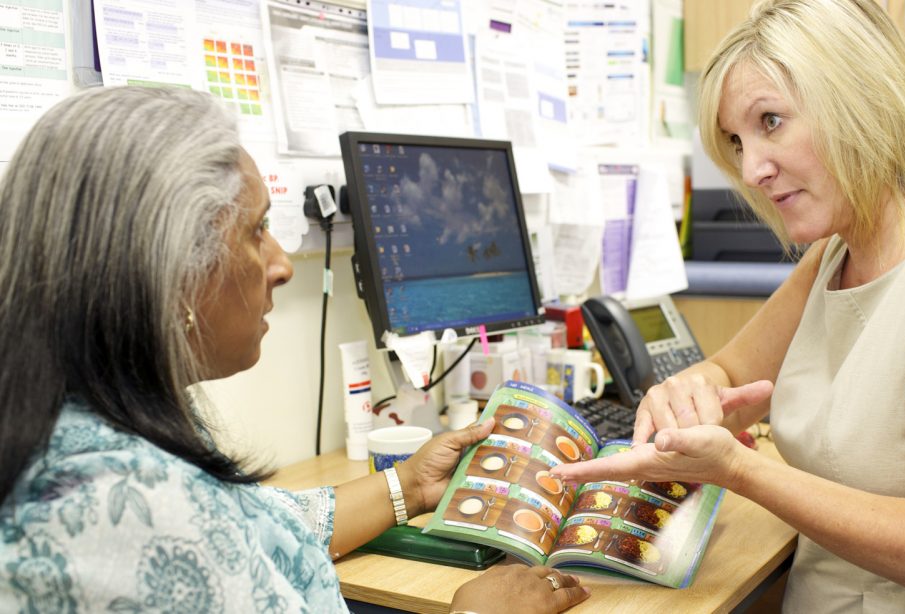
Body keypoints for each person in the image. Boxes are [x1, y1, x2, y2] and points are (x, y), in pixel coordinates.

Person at [0, 86, 589, 613]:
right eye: (257, 230)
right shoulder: (130, 506)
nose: (281, 264)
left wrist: (411, 485)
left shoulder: (100, 425)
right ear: (168, 267)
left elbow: (261, 523)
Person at [553, 0, 905, 611]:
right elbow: (724, 373)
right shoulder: (836, 250)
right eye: (735, 140)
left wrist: (740, 471)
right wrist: (687, 391)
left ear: (862, 97)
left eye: (770, 121)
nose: (751, 169)